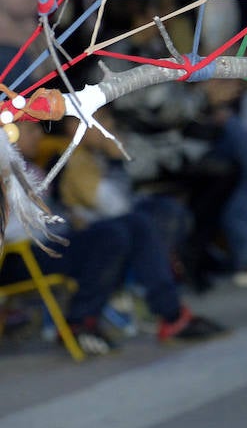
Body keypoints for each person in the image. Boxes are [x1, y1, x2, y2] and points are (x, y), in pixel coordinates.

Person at [14, 121, 227, 354]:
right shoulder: (66, 160)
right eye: (31, 130)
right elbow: (112, 206)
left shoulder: (32, 168)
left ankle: (172, 314)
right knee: (116, 233)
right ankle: (81, 321)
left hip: (51, 241)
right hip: (20, 255)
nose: (38, 136)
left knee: (140, 222)